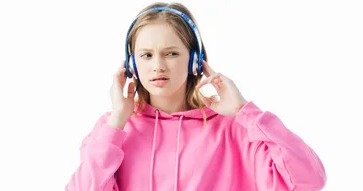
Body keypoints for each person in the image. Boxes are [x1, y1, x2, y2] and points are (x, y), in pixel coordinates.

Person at [65, 2, 326, 191]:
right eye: (146, 55)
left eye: (171, 53)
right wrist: (117, 121)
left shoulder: (234, 129)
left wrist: (246, 112)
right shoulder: (113, 130)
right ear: (132, 65)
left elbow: (308, 180)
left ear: (195, 61)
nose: (158, 65)